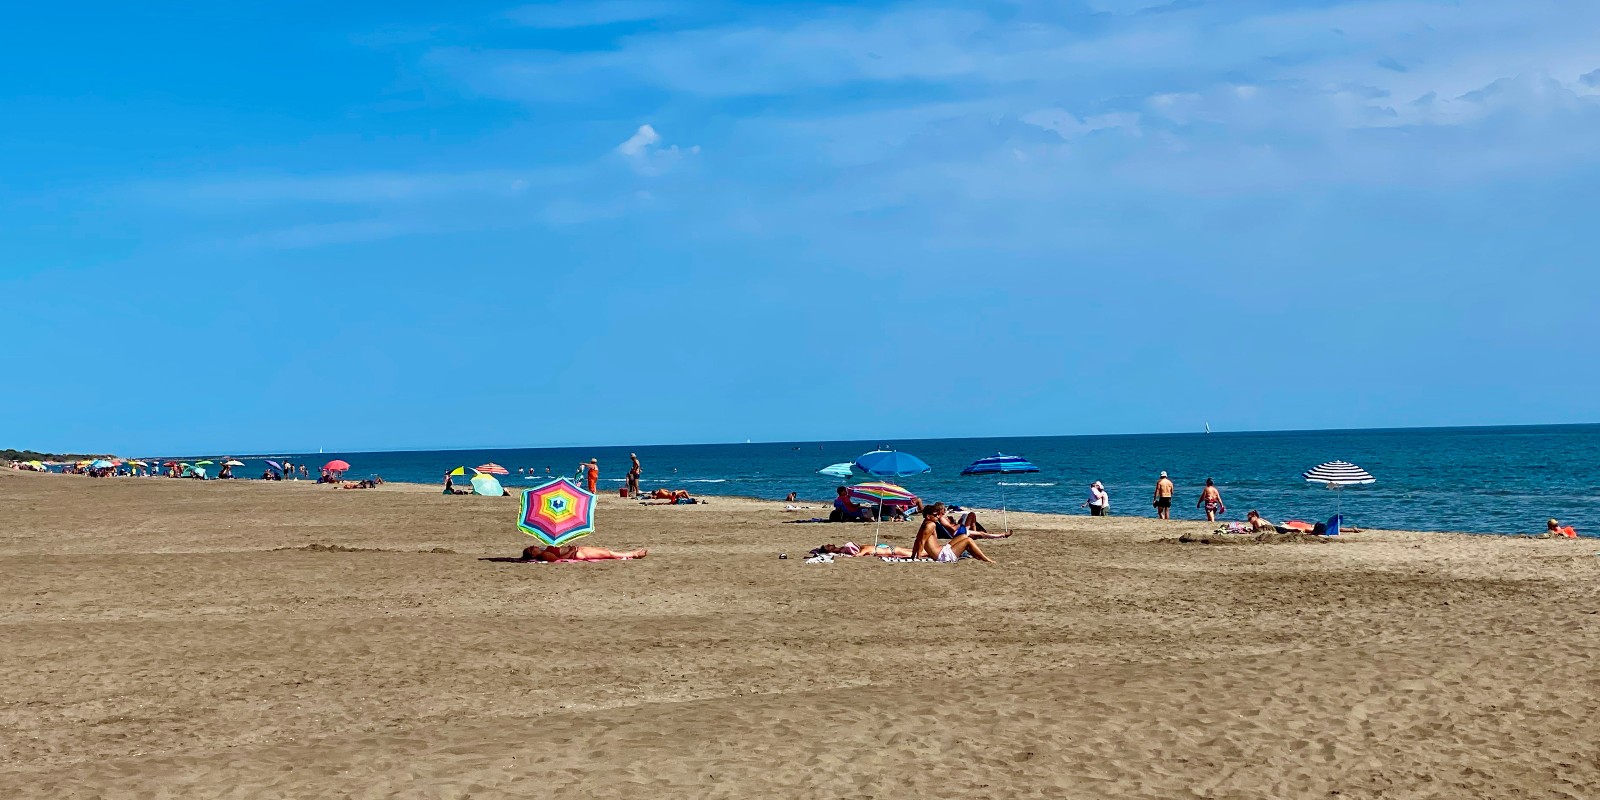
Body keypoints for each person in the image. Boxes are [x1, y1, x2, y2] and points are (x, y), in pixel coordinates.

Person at [910, 503, 994, 562]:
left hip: (942, 550)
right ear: (928, 516)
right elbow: (921, 541)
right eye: (935, 515)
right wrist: (918, 557)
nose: (938, 516)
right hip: (942, 556)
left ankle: (976, 556)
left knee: (964, 536)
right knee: (968, 540)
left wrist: (913, 555)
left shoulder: (925, 524)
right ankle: (985, 559)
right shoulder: (931, 525)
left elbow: (918, 540)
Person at [519, 543, 647, 561]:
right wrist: (572, 551)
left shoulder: (543, 550)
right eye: (532, 548)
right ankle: (633, 554)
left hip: (577, 551)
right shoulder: (544, 554)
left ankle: (632, 553)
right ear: (533, 554)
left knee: (606, 551)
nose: (534, 546)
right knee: (608, 553)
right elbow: (555, 560)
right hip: (578, 553)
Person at [936, 509, 1011, 539]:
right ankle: (1002, 535)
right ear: (940, 510)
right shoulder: (942, 519)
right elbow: (952, 529)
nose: (945, 510)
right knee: (981, 533)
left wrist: (953, 522)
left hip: (959, 531)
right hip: (958, 532)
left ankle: (1002, 535)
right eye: (943, 509)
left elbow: (950, 527)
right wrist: (959, 524)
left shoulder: (941, 518)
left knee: (981, 533)